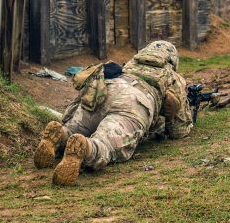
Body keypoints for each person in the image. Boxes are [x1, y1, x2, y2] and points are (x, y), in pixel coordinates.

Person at [33, 41, 193, 185]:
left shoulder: (130, 65)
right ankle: (86, 147)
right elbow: (179, 130)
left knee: (76, 129)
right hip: (134, 101)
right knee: (105, 144)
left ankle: (60, 136)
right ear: (172, 60)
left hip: (103, 91)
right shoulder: (173, 76)